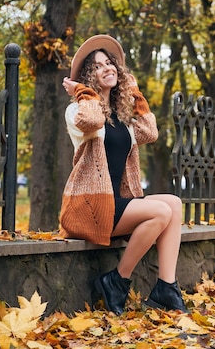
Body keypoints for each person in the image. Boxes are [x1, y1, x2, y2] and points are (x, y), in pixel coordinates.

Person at [59, 34, 188, 315]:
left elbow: (150, 133)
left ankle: (166, 286)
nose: (108, 68)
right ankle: (117, 279)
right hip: (90, 206)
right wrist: (82, 92)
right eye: (97, 66)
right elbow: (92, 120)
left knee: (174, 205)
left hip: (116, 203)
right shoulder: (77, 111)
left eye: (110, 63)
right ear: (87, 78)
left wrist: (134, 92)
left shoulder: (122, 119)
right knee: (160, 213)